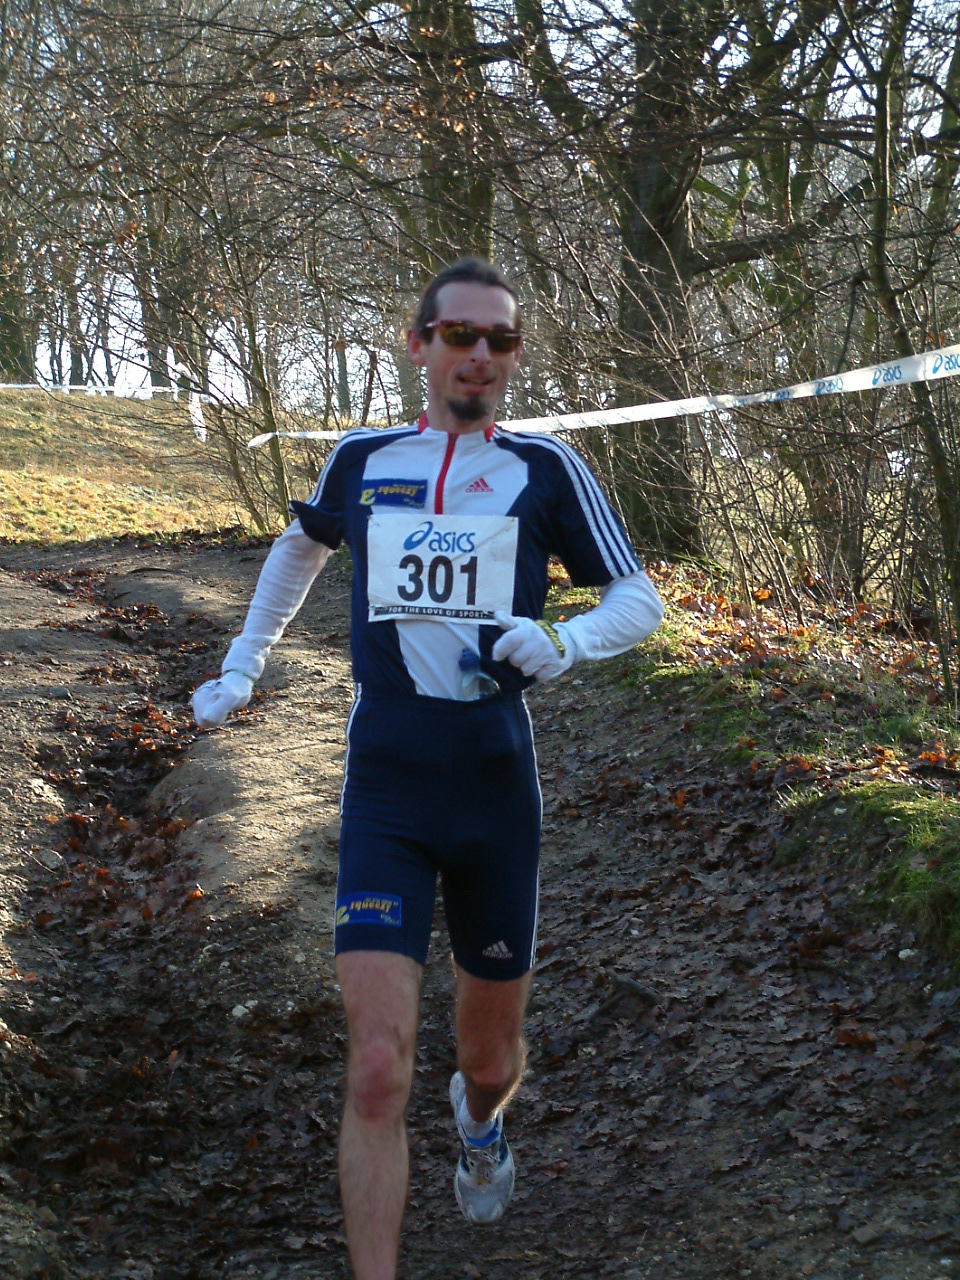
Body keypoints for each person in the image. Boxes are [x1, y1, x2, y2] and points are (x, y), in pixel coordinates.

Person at [192, 258, 664, 1280]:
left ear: (514, 358)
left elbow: (639, 598)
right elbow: (301, 547)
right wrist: (243, 662)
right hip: (388, 783)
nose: (480, 355)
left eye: (501, 340)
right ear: (419, 345)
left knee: (489, 1061)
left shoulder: (547, 469)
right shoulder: (364, 458)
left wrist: (569, 639)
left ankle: (481, 1124)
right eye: (460, 335)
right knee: (375, 1068)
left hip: (494, 784)